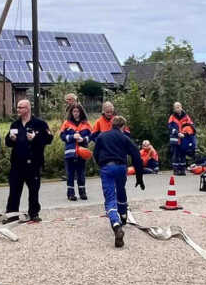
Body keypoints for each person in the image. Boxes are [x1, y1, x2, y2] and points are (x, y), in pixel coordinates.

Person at [92, 115, 145, 247]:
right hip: (121, 167)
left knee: (110, 198)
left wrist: (101, 164)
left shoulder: (102, 136)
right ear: (123, 127)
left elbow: (95, 153)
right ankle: (123, 216)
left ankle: (116, 225)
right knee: (121, 190)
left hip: (107, 168)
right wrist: (139, 177)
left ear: (112, 125)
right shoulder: (124, 138)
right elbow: (137, 156)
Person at [4, 99, 53, 221]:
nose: (18, 110)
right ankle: (12, 214)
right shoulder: (15, 124)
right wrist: (11, 139)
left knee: (34, 190)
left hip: (33, 163)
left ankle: (34, 213)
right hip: (17, 163)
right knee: (14, 190)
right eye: (18, 107)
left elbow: (49, 138)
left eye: (21, 107)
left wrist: (36, 138)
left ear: (28, 109)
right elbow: (7, 142)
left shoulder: (40, 123)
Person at [60, 102, 92, 201]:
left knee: (81, 173)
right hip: (70, 152)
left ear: (81, 112)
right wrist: (71, 137)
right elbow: (62, 136)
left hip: (82, 152)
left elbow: (91, 135)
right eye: (74, 111)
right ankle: (70, 194)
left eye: (77, 111)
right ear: (71, 112)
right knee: (70, 174)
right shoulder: (66, 123)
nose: (76, 113)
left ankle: (82, 192)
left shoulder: (86, 123)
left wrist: (84, 139)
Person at [167, 101, 195, 175]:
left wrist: (185, 133)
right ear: (174, 109)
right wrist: (177, 133)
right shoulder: (172, 117)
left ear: (181, 107)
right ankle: (176, 170)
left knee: (183, 154)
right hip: (175, 139)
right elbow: (169, 127)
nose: (177, 109)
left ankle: (182, 170)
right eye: (176, 107)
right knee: (175, 154)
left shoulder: (186, 116)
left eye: (179, 107)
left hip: (184, 139)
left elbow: (191, 126)